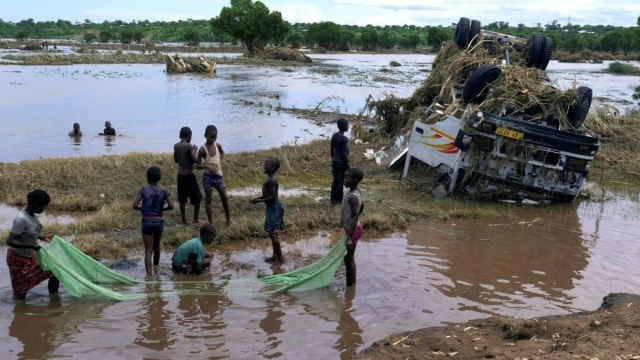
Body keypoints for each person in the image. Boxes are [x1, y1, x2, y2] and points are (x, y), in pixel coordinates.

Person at [6, 189, 60, 300]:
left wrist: (43, 237)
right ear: (35, 204)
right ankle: (20, 311)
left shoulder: (32, 216)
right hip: (18, 259)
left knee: (54, 271)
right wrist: (31, 246)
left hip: (30, 256)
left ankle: (54, 298)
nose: (44, 209)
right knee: (21, 292)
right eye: (43, 206)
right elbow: (10, 241)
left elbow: (30, 233)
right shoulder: (21, 219)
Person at [132, 166, 174, 277]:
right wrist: (162, 210)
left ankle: (149, 276)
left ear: (147, 178)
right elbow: (171, 206)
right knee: (156, 246)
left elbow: (135, 206)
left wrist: (142, 210)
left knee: (148, 250)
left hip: (146, 222)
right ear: (159, 179)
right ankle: (156, 269)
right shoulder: (164, 191)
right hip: (158, 222)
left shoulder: (143, 190)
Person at [250, 157, 285, 265]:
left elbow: (272, 198)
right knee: (274, 233)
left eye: (266, 164)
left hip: (273, 208)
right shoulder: (269, 178)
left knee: (272, 234)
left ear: (273, 168)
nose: (264, 166)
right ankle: (275, 256)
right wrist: (258, 198)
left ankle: (281, 259)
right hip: (271, 207)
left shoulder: (272, 180)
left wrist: (258, 201)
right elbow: (267, 195)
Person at [196, 125, 231, 226]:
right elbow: (197, 165)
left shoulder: (218, 146)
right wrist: (207, 167)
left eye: (214, 137)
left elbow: (223, 153)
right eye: (210, 137)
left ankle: (228, 219)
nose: (212, 139)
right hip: (207, 177)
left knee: (224, 197)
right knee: (209, 199)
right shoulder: (202, 150)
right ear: (205, 136)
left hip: (218, 176)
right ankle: (211, 223)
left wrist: (220, 158)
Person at [173, 127, 202, 225]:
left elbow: (176, 160)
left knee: (182, 200)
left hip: (180, 175)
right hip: (189, 176)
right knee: (197, 198)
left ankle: (183, 220)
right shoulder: (189, 146)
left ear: (180, 136)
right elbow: (195, 160)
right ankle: (195, 219)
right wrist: (195, 150)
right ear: (189, 136)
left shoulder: (176, 146)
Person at [342, 168, 364, 287]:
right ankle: (353, 283)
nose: (344, 180)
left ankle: (349, 288)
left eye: (346, 178)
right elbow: (363, 206)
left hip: (353, 231)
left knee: (347, 260)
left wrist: (349, 237)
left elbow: (355, 217)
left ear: (354, 180)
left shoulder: (352, 197)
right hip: (353, 228)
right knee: (350, 258)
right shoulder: (356, 192)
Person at [330, 118, 350, 205]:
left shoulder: (334, 135)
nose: (348, 126)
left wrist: (333, 158)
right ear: (345, 126)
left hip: (334, 160)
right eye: (348, 125)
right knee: (340, 180)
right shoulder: (344, 139)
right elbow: (344, 154)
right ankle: (338, 200)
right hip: (341, 162)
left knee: (334, 180)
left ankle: (332, 198)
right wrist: (348, 165)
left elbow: (331, 149)